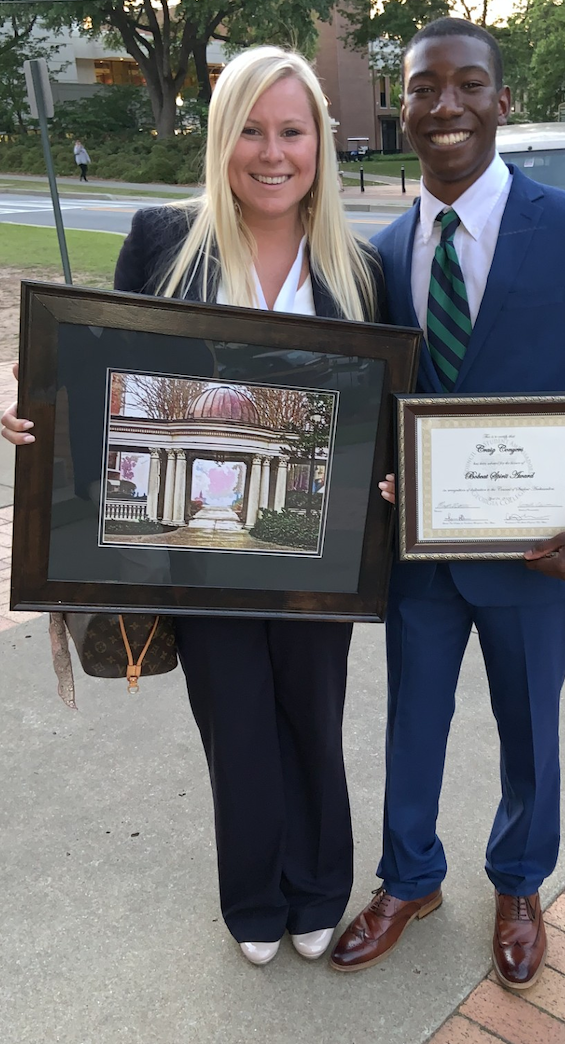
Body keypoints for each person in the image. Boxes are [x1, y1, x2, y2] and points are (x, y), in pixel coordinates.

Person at [329, 18, 565, 987]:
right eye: (421, 88)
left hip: (540, 553)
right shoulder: (381, 251)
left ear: (500, 100)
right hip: (420, 554)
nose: (442, 105)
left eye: (464, 85)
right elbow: (368, 397)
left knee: (528, 728)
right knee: (412, 722)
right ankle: (409, 878)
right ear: (401, 107)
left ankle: (519, 881)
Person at [4, 46, 383, 967]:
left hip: (312, 546)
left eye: (291, 131)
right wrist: (35, 394)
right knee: (235, 721)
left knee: (310, 713)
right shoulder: (161, 239)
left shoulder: (360, 264)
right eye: (250, 130)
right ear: (221, 140)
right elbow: (103, 367)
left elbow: (383, 404)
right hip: (189, 541)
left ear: (318, 145)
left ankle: (318, 886)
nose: (271, 151)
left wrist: (392, 472)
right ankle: (253, 895)